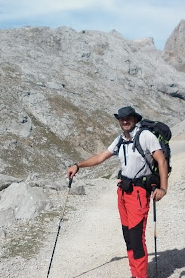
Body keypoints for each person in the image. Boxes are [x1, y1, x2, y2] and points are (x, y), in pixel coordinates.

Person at [66, 106, 168, 278]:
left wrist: (163, 188)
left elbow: (161, 161)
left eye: (128, 118)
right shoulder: (120, 139)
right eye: (121, 119)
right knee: (128, 237)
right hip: (123, 191)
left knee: (136, 238)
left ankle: (141, 276)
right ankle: (135, 273)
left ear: (135, 119)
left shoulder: (145, 136)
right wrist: (78, 166)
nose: (125, 121)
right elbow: (100, 157)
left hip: (139, 193)